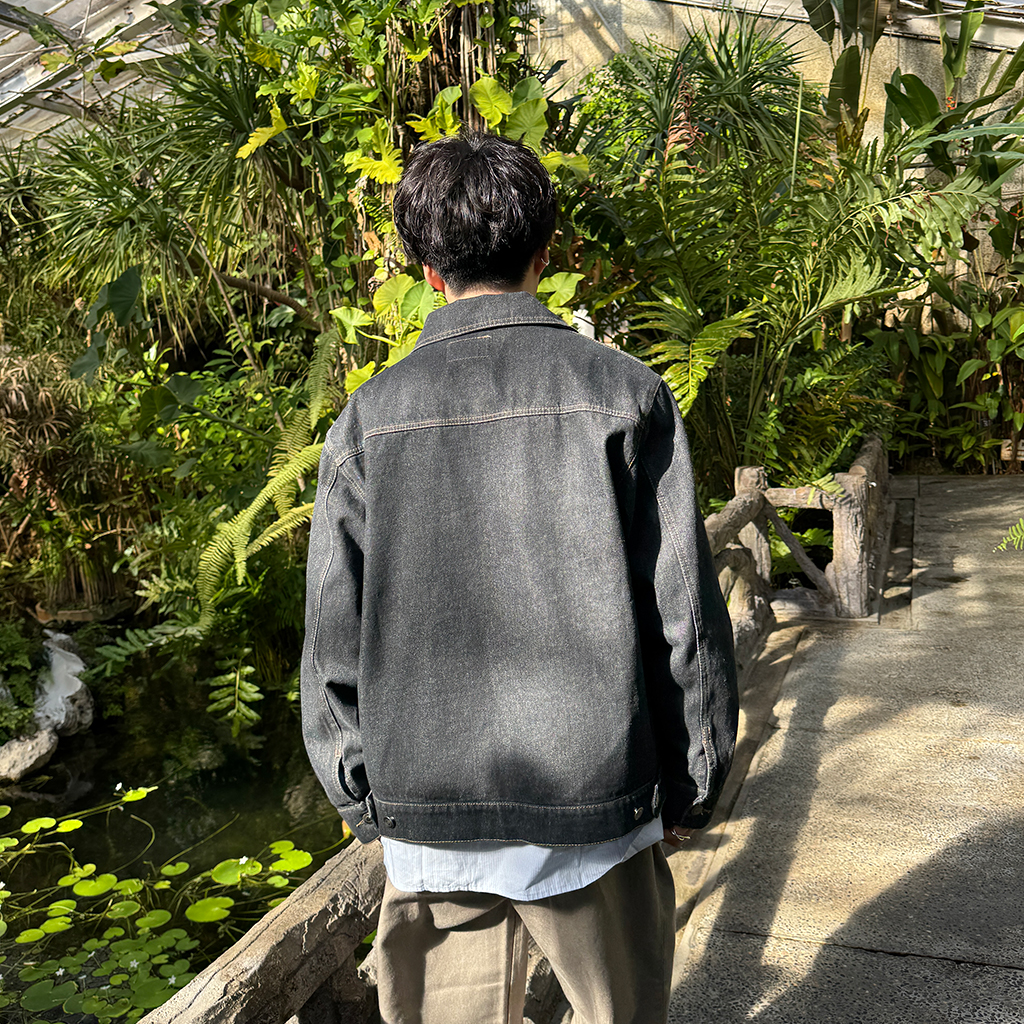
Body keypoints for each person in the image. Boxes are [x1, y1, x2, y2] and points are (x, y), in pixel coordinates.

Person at [300, 131, 738, 1024]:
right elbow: (684, 616)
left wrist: (365, 796)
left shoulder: (369, 420)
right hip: (598, 809)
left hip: (433, 827)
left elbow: (330, 638)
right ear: (546, 254)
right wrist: (693, 780)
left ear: (427, 271)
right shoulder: (628, 395)